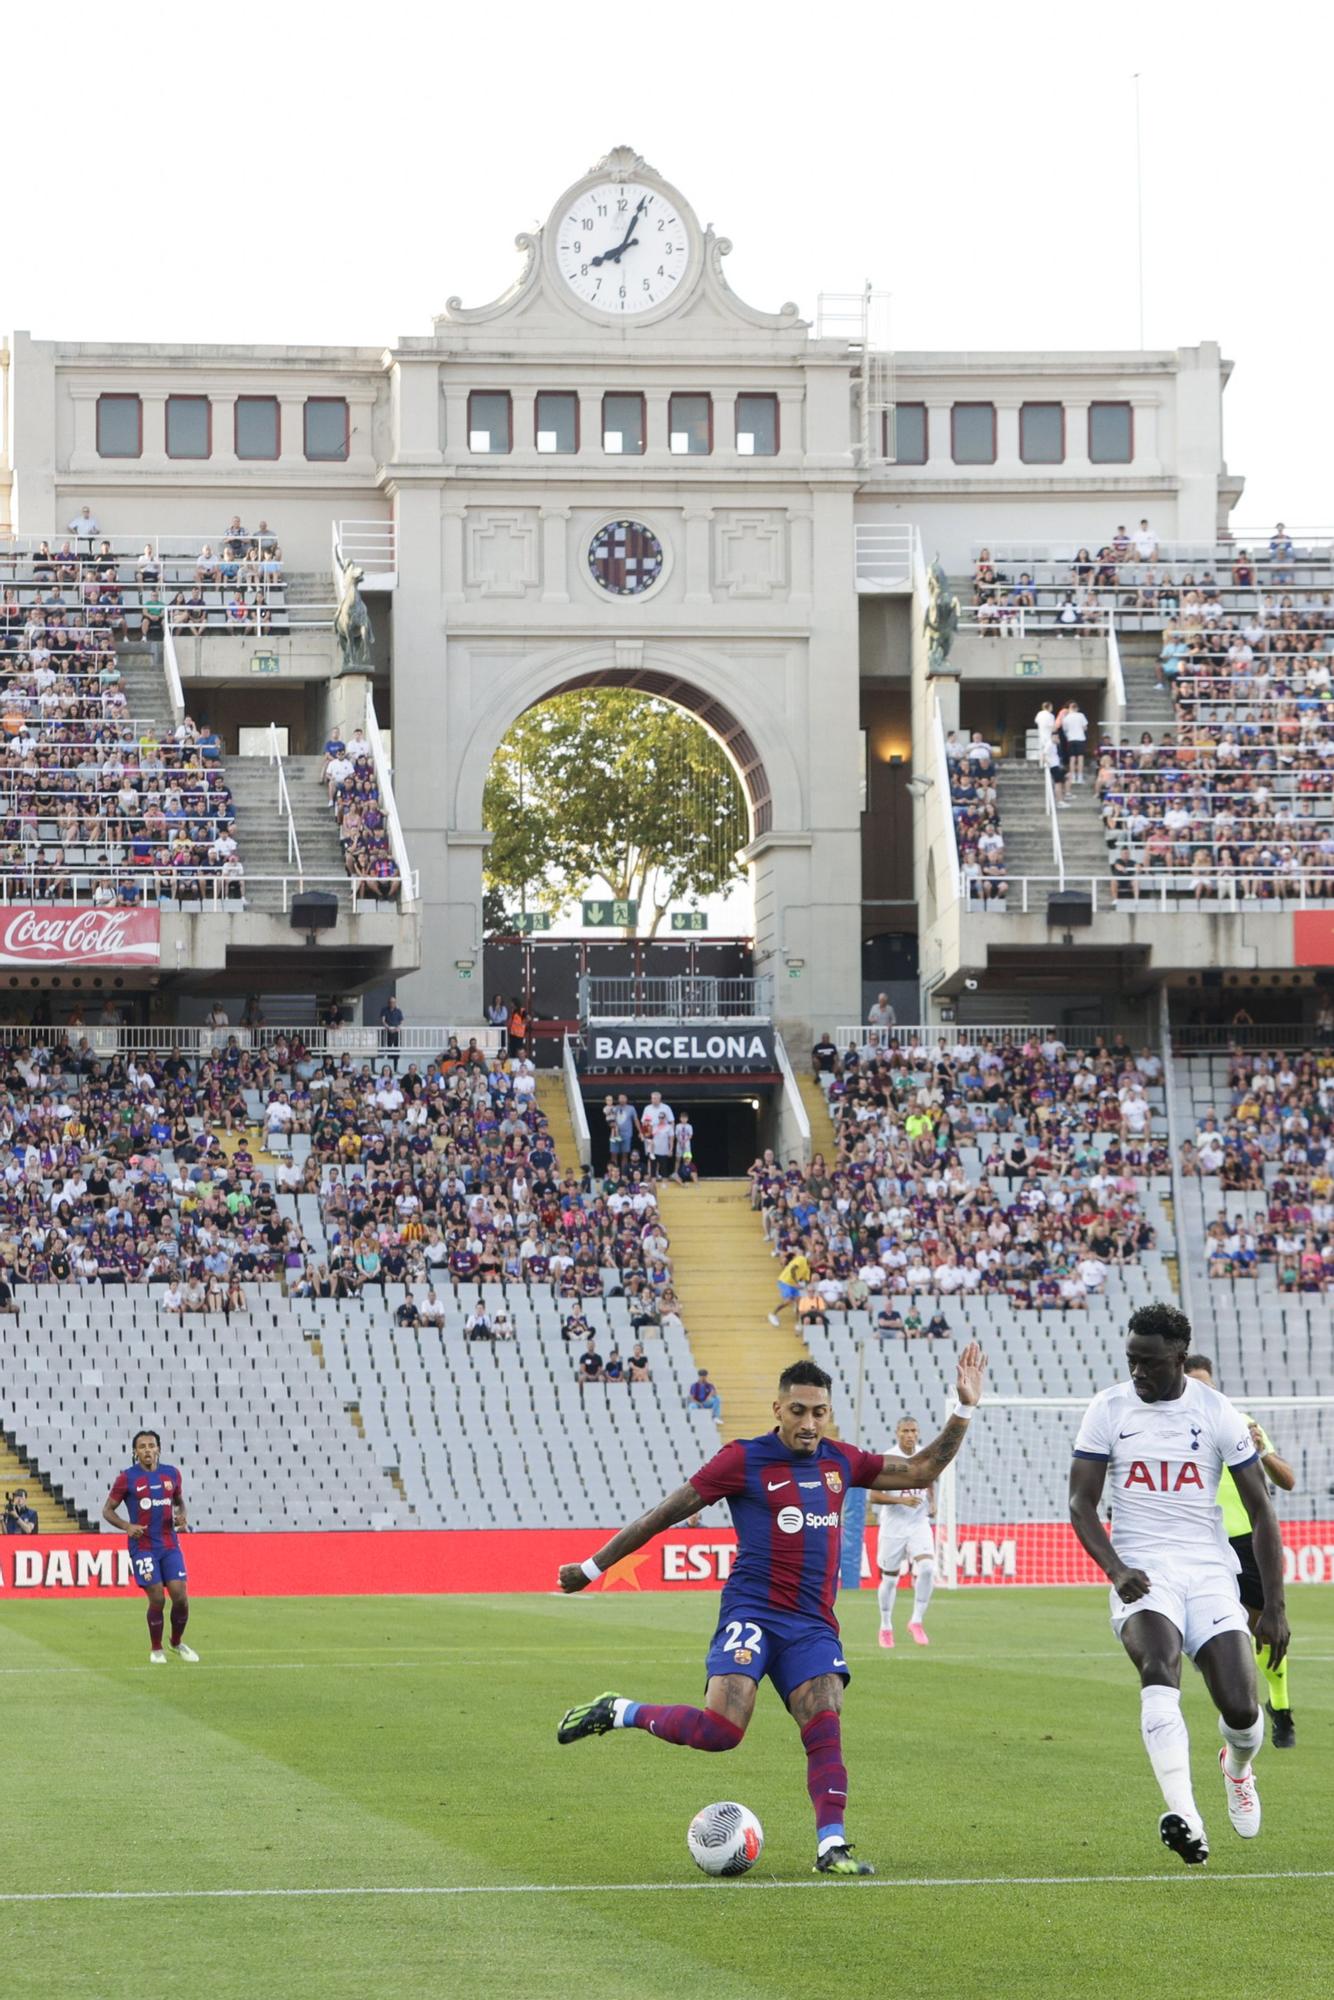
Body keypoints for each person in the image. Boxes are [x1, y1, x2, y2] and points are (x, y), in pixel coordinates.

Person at [556, 1349, 986, 1877]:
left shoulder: (842, 1461)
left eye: (819, 1412)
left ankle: (832, 1844)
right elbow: (664, 1514)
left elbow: (922, 1468)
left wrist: (963, 1411)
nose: (809, 1423)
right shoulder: (742, 1460)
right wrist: (591, 1567)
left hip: (810, 1624)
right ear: (778, 1409)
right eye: (799, 1410)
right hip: (752, 1611)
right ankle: (618, 1710)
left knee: (824, 1717)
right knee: (722, 1731)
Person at [1068, 1303, 1287, 1866]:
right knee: (1157, 1667)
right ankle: (1185, 1814)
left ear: (1179, 1359)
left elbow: (1263, 1511)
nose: (1137, 1373)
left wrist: (1277, 1607)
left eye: (1149, 1363)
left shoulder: (1217, 1413)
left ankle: (1237, 1769)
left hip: (1210, 1570)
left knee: (1241, 1710)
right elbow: (1081, 1503)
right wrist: (1116, 1569)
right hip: (1142, 1570)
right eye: (1131, 1361)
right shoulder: (1108, 1408)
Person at [1185, 1355, 1297, 1748]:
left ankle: (1280, 1708)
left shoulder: (1240, 1422)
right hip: (1203, 1544)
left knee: (1264, 1634)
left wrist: (1262, 1450)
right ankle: (1237, 1717)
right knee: (1214, 1634)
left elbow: (1287, 1481)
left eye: (1209, 1386)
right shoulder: (1173, 1430)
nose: (1205, 1394)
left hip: (1250, 1542)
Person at [102, 1430, 199, 1664]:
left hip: (169, 1544)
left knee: (180, 1596)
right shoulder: (127, 1478)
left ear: (158, 1449)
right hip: (143, 1546)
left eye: (151, 1445)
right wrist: (126, 1525)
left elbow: (179, 1503)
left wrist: (181, 1516)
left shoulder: (171, 1474)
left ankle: (176, 1643)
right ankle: (156, 1649)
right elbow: (107, 1510)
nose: (147, 1449)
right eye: (142, 1446)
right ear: (135, 1452)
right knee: (157, 1598)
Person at [870, 1418, 936, 1648]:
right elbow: (874, 1496)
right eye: (905, 1431)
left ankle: (916, 1621)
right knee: (890, 1579)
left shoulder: (924, 1455)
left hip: (919, 1522)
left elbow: (928, 1479)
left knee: (928, 1568)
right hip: (893, 1526)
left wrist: (932, 1501)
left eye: (914, 1430)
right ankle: (886, 1625)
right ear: (897, 1432)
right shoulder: (888, 1459)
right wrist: (901, 1499)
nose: (910, 1435)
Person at [768, 1244, 811, 1327]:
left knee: (799, 1301)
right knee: (789, 1300)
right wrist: (797, 1283)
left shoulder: (807, 1267)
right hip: (785, 1281)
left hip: (792, 1284)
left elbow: (806, 1281)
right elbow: (792, 1270)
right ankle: (773, 1314)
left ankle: (798, 1322)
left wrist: (803, 1286)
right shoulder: (801, 1259)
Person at [639, 1091, 676, 1182]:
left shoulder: (666, 1108)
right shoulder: (647, 1108)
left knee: (661, 1157)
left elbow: (672, 1121)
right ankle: (651, 1174)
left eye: (655, 1098)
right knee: (650, 1155)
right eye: (652, 1098)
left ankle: (658, 1174)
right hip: (650, 1134)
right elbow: (644, 1122)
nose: (654, 1100)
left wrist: (670, 1134)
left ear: (660, 1098)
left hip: (663, 1134)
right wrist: (644, 1134)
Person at [380, 994, 404, 1065]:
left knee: (397, 1048)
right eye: (390, 1002)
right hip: (388, 1031)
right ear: (388, 1003)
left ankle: (396, 1065)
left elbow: (402, 1021)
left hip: (397, 1032)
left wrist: (397, 1028)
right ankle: (389, 1065)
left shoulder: (398, 1011)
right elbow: (383, 1020)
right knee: (389, 1048)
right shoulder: (384, 1010)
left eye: (393, 1002)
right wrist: (388, 1028)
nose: (392, 1003)